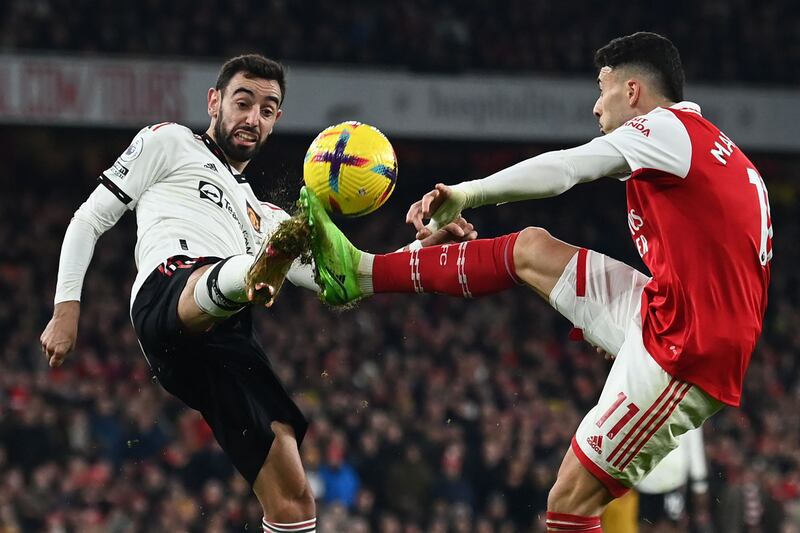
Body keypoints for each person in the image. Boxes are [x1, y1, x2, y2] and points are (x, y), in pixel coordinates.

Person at [303, 31, 771, 533]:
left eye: (602, 88)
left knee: (569, 504)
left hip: (686, 347)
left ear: (632, 91)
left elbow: (568, 168)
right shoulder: (720, 151)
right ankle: (362, 273)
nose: (596, 106)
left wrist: (468, 193)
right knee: (531, 250)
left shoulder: (668, 129)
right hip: (669, 310)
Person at [39, 54, 474, 533]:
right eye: (242, 102)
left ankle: (258, 271)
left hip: (225, 337)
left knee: (294, 496)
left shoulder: (262, 213)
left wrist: (423, 245)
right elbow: (90, 217)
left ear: (276, 121)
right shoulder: (170, 142)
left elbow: (349, 281)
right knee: (241, 267)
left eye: (267, 110)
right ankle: (255, 272)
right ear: (214, 102)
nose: (252, 117)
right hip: (169, 292)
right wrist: (66, 307)